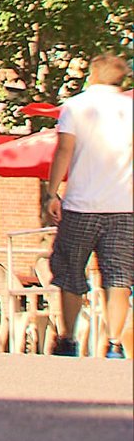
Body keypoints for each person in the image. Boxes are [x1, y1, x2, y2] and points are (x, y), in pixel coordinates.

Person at [45, 53, 133, 359]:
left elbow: (64, 150)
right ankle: (114, 343)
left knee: (71, 272)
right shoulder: (131, 108)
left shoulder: (76, 106)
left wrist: (52, 192)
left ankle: (68, 339)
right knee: (119, 277)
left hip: (81, 205)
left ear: (93, 74)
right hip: (124, 206)